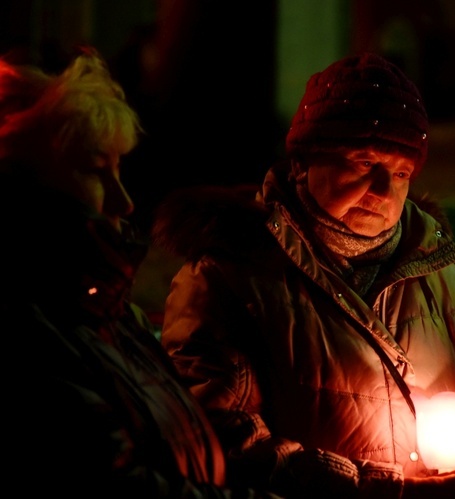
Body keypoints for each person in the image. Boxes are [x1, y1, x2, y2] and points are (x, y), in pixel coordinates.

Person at [152, 52, 455, 498]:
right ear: (302, 163)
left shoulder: (441, 278)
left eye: (400, 172)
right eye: (363, 162)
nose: (383, 191)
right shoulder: (229, 279)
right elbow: (221, 442)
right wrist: (381, 492)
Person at [0, 47, 277, 498]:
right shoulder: (30, 327)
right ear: (22, 187)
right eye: (94, 170)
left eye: (118, 168)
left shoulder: (106, 310)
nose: (124, 200)